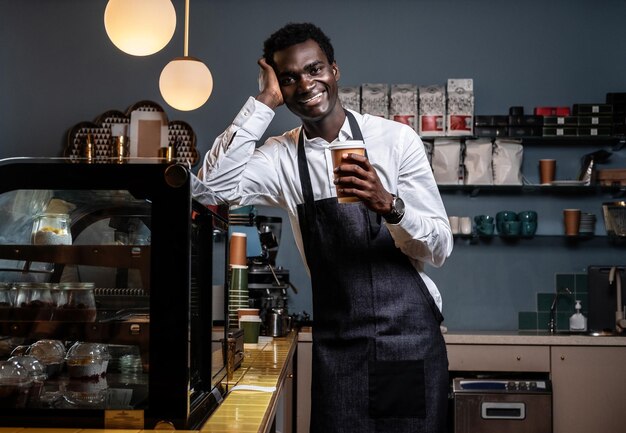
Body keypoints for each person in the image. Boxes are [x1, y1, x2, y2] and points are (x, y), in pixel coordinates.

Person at [193, 22, 453, 433]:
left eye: (314, 70)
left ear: (335, 70)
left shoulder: (395, 140)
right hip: (339, 347)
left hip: (408, 341)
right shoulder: (280, 157)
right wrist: (264, 101)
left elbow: (438, 248)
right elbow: (210, 191)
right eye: (289, 78)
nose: (305, 84)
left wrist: (389, 205)